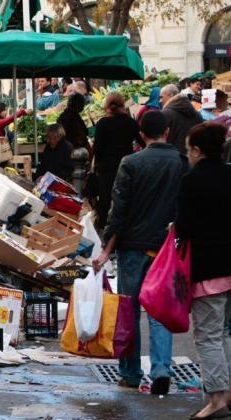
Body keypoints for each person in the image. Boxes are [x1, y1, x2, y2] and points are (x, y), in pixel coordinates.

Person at [93, 111, 188, 395]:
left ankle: (130, 373)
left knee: (129, 310)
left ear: (141, 134)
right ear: (167, 132)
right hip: (166, 249)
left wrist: (106, 249)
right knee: (160, 310)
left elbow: (118, 211)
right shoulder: (181, 164)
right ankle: (161, 369)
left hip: (133, 248)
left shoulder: (131, 163)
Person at [174, 122, 231, 420]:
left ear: (197, 150)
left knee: (208, 335)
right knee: (223, 332)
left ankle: (217, 397)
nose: (188, 155)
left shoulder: (193, 181)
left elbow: (184, 226)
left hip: (209, 269)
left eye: (188, 150)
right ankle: (228, 391)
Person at [92, 92, 140, 229]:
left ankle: (103, 225)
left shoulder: (102, 123)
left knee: (105, 196)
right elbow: (141, 141)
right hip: (126, 164)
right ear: (122, 104)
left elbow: (97, 148)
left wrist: (98, 164)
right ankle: (124, 224)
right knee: (125, 195)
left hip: (106, 166)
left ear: (107, 105)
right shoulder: (131, 122)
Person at [161, 84, 203, 154]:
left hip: (171, 158)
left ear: (170, 95)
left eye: (161, 97)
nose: (160, 100)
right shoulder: (197, 114)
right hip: (192, 158)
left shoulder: (165, 114)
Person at [57, 93, 92, 159]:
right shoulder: (73, 117)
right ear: (78, 104)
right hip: (75, 152)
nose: (83, 106)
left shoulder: (64, 115)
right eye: (82, 103)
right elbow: (80, 136)